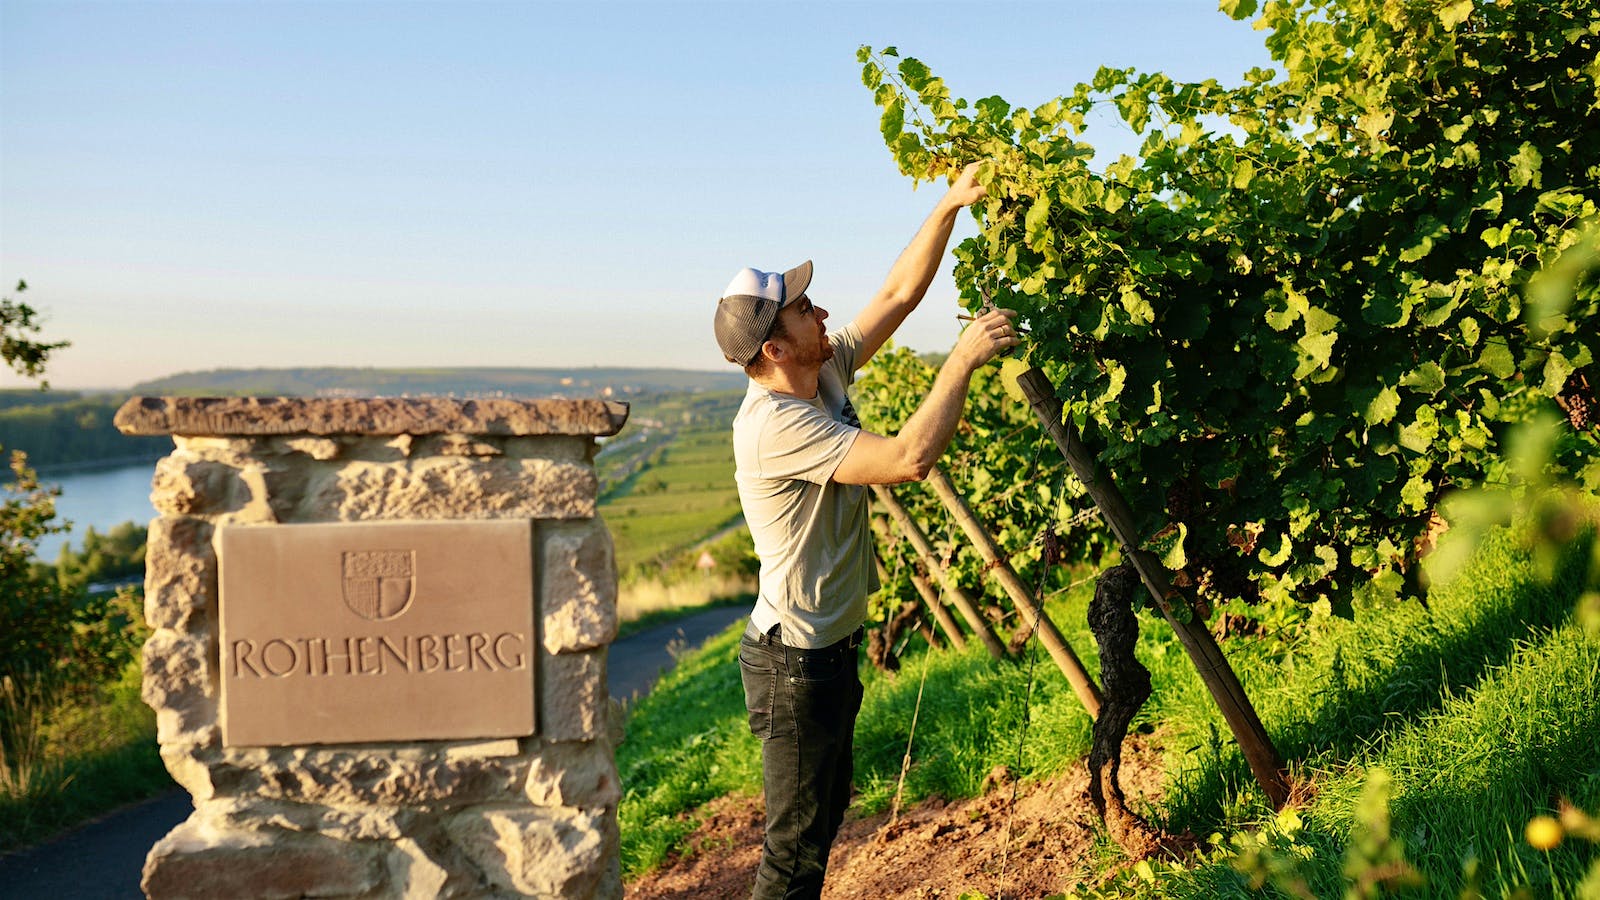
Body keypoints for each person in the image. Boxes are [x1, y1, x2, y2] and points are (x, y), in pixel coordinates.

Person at [711, 162, 1020, 899]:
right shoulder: (776, 425)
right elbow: (910, 459)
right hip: (795, 664)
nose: (823, 315)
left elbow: (898, 295)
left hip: (827, 648)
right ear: (774, 350)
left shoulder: (821, 374)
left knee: (817, 831)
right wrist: (964, 360)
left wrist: (950, 202)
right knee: (792, 855)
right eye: (804, 312)